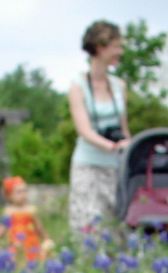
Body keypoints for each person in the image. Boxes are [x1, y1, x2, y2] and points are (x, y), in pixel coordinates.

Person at [67, 20, 131, 234]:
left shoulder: (119, 85)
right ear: (100, 47)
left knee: (117, 227)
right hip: (88, 164)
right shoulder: (78, 87)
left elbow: (124, 127)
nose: (119, 52)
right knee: (88, 226)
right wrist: (110, 146)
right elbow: (84, 131)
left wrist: (128, 145)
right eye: (116, 46)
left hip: (116, 166)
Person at [0, 176, 49, 261]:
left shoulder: (30, 210)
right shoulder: (8, 211)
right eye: (19, 192)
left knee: (32, 261)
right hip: (14, 244)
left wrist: (46, 239)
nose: (23, 195)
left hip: (30, 243)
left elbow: (38, 227)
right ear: (9, 195)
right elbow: (3, 226)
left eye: (25, 191)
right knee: (15, 261)